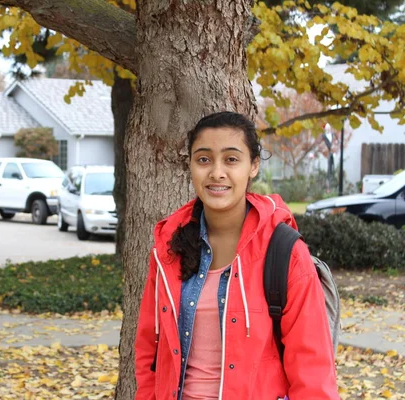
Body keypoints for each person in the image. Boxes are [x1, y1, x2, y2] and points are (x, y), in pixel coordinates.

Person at [134, 112, 339, 400]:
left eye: (231, 159)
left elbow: (313, 371)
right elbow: (149, 352)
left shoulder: (285, 252)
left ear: (253, 166)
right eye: (203, 159)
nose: (216, 172)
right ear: (190, 165)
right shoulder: (170, 248)